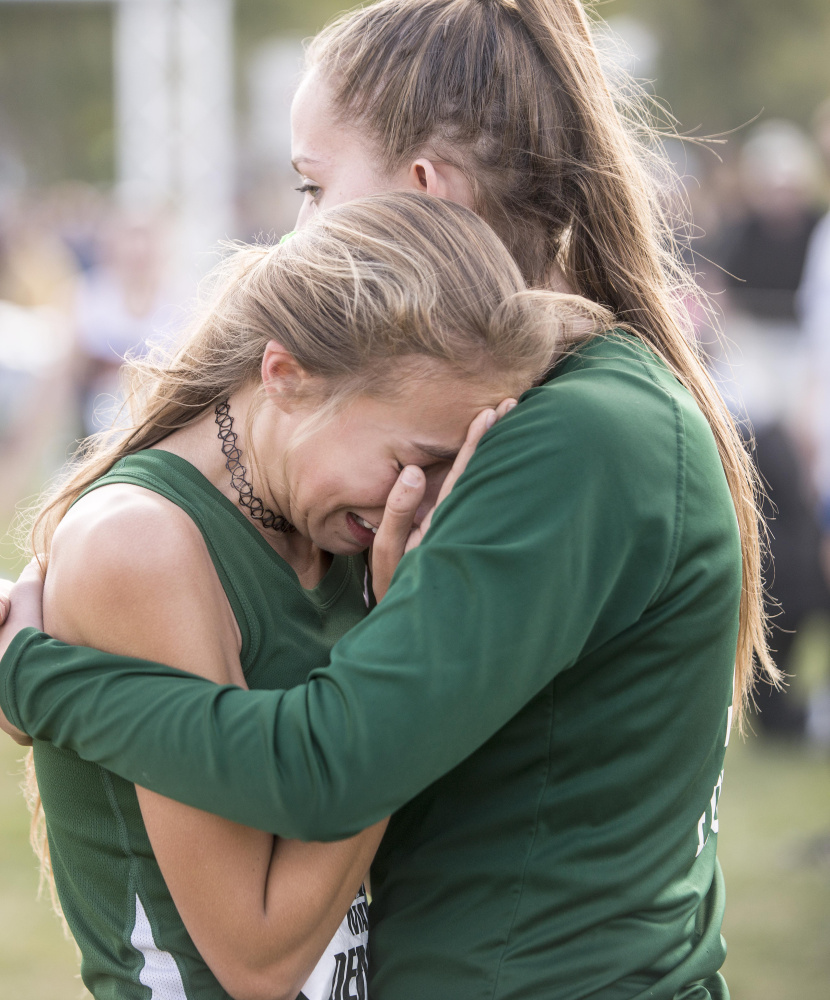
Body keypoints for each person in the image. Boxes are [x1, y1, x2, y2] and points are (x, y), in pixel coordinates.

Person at [0, 1, 778, 997]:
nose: (298, 236)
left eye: (312, 187)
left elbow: (333, 763)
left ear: (423, 190)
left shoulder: (566, 428)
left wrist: (40, 679)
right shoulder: (524, 411)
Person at [0, 191, 585, 1000]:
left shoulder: (338, 522)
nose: (429, 498)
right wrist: (409, 636)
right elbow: (261, 957)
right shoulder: (144, 545)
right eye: (416, 456)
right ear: (286, 377)